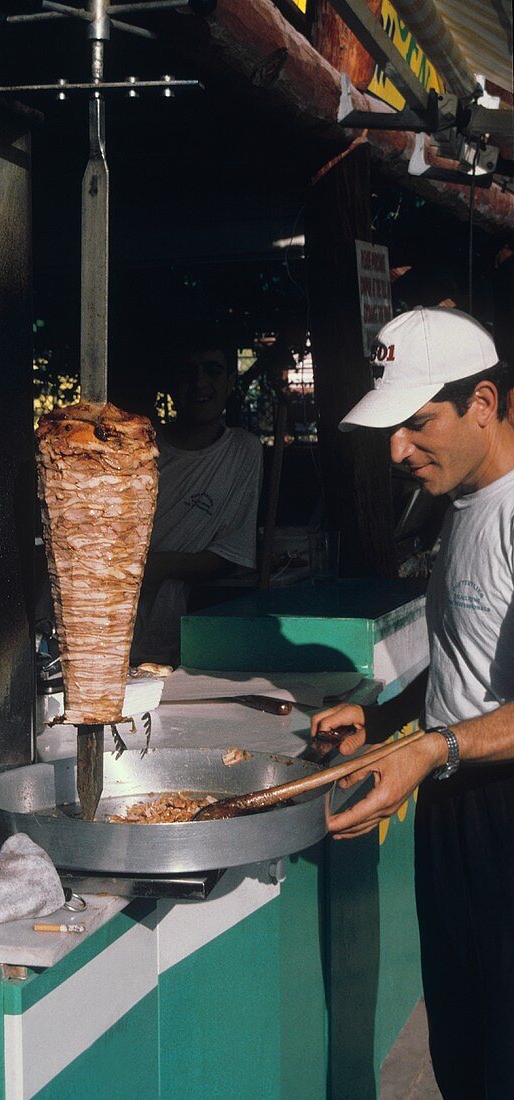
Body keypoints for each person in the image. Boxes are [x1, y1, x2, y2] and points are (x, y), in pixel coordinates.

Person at [311, 306, 514, 1099]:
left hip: (499, 808)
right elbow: (470, 665)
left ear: (485, 405)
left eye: (419, 423)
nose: (398, 449)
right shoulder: (463, 504)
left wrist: (433, 747)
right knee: (461, 1040)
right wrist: (394, 721)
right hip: (453, 804)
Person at [131, 322, 263, 667]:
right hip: (111, 622)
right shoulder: (140, 448)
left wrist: (157, 567)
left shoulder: (243, 451)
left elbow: (232, 555)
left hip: (173, 640)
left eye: (212, 371)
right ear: (172, 383)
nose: (200, 383)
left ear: (230, 383)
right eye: (188, 372)